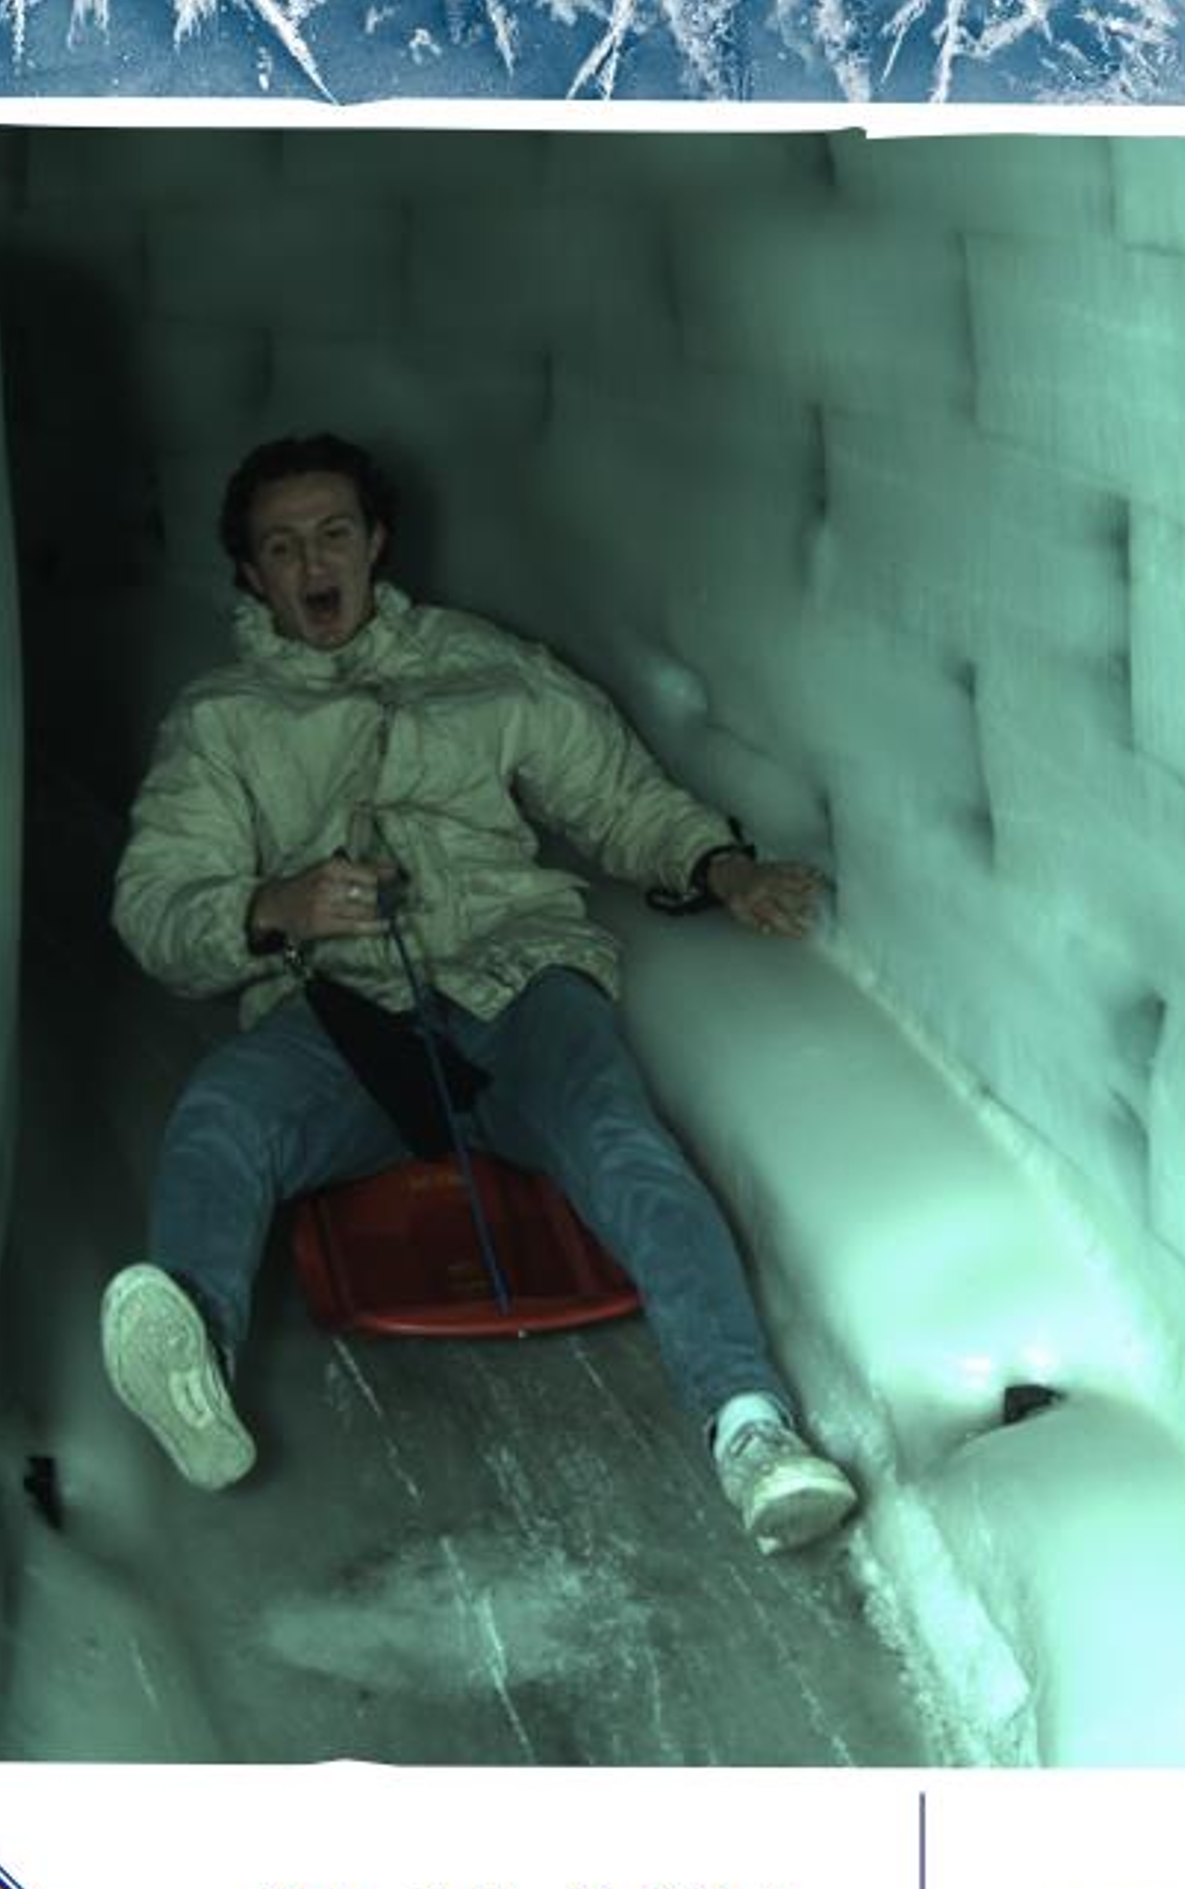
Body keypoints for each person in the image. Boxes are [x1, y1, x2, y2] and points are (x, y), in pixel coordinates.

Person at [101, 432, 858, 1554]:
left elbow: (615, 796)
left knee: (619, 1142)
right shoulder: (222, 722)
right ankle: (195, 1357)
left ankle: (752, 1428)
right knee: (223, 1113)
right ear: (251, 575)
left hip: (517, 977)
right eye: (282, 546)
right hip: (347, 1016)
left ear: (376, 543)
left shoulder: (484, 667)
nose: (313, 562)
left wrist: (719, 867)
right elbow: (156, 906)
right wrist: (277, 905)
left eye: (333, 533)